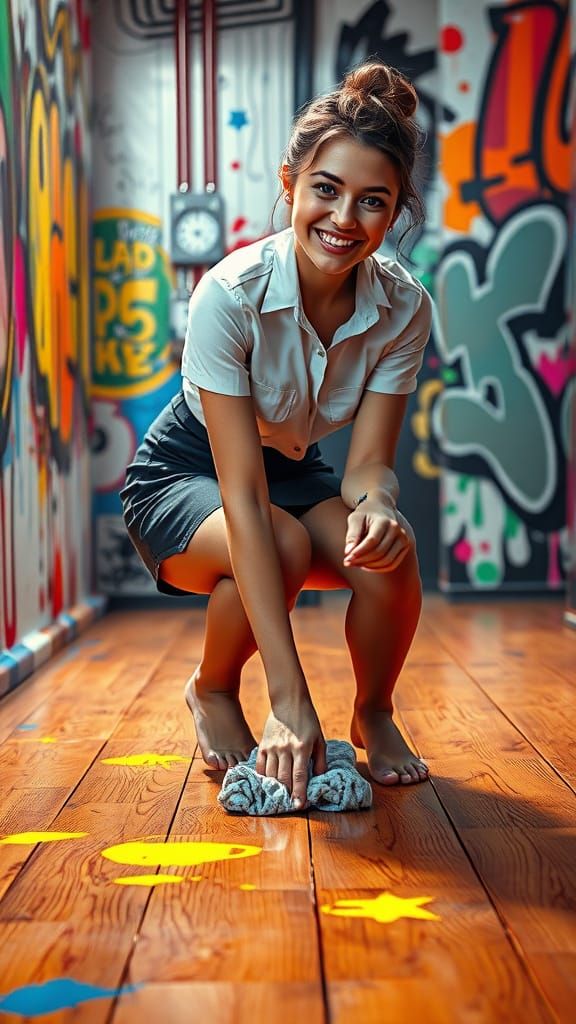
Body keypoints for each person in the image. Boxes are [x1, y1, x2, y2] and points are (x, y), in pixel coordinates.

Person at [120, 60, 432, 811]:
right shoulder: (230, 294)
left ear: (394, 217)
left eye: (372, 202)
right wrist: (289, 698)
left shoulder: (403, 308)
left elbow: (366, 468)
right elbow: (243, 490)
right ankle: (215, 687)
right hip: (186, 472)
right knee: (283, 545)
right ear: (292, 184)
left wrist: (379, 506)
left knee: (389, 557)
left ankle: (374, 711)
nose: (343, 218)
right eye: (326, 189)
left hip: (295, 469)